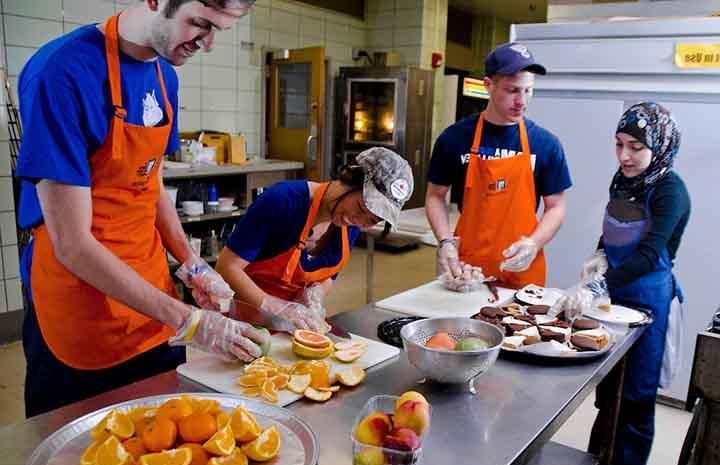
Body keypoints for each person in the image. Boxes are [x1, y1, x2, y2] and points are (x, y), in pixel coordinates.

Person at [15, 0, 268, 418]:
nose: (204, 45)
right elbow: (73, 245)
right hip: (80, 306)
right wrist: (189, 322)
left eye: (217, 32)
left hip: (151, 300)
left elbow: (149, 184)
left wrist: (191, 264)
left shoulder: (165, 77)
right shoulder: (61, 73)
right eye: (199, 24)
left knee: (163, 434)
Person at [549, 102, 691, 465]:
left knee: (636, 400)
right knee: (609, 391)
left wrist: (596, 285)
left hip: (647, 302)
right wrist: (600, 251)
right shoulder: (624, 178)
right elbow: (615, 226)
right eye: (619, 144)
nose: (625, 156)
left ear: (659, 147)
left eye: (636, 148)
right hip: (613, 299)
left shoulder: (669, 191)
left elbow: (647, 254)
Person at [215, 147, 413, 331]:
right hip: (242, 322)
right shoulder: (283, 201)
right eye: (361, 208)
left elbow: (328, 276)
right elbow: (227, 268)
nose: (357, 220)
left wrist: (314, 296)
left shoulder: (350, 224)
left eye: (370, 219)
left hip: (293, 328)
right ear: (349, 178)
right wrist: (272, 305)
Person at [426, 42, 572, 288]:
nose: (522, 102)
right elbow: (434, 196)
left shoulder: (546, 144)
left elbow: (556, 207)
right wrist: (446, 242)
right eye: (513, 90)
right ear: (488, 85)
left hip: (522, 269)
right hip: (468, 269)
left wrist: (533, 244)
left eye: (528, 91)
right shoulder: (454, 138)